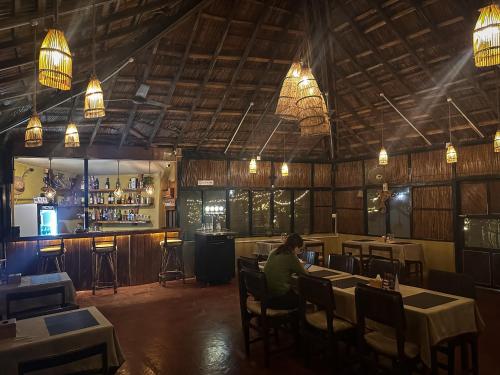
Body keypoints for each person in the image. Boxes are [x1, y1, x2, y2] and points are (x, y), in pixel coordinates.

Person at [263, 233, 306, 309]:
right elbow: (305, 274)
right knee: (302, 299)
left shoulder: (274, 251)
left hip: (265, 296)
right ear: (296, 247)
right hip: (278, 298)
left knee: (293, 292)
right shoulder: (291, 256)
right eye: (300, 249)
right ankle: (296, 320)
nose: (300, 251)